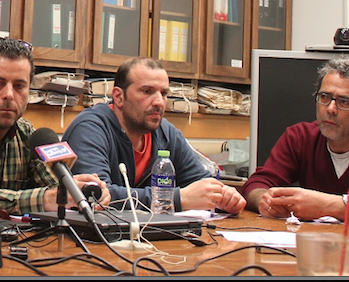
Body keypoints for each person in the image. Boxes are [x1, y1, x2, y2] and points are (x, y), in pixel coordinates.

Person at [0, 36, 110, 217]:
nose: (9, 94)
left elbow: (55, 189)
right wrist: (45, 199)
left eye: (19, 86)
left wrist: (81, 191)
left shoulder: (28, 135)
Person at [62, 57, 246, 214]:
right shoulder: (90, 129)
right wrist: (176, 199)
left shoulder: (166, 133)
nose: (159, 102)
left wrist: (224, 197)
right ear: (118, 97)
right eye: (147, 91)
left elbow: (201, 183)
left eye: (163, 93)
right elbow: (96, 196)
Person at [243, 56, 349, 224]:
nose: (330, 109)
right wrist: (266, 200)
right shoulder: (299, 137)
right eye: (324, 97)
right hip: (307, 239)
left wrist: (330, 206)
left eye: (344, 102)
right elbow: (256, 184)